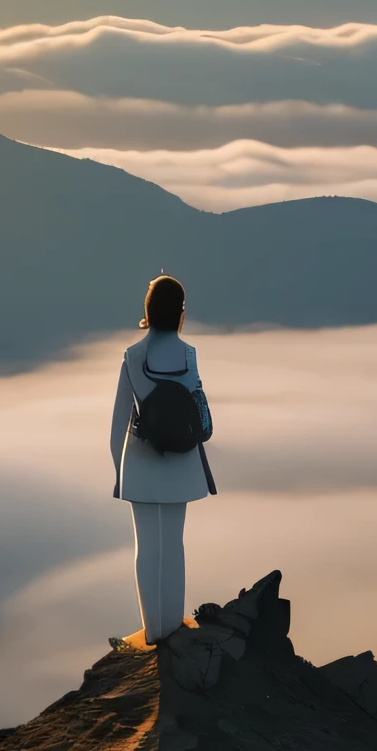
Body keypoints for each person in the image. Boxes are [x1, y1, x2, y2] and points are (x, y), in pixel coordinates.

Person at [110, 274, 215, 644]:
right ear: (180, 312)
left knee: (146, 548)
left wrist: (119, 471)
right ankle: (172, 628)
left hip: (140, 461)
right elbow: (198, 411)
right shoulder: (189, 356)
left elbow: (118, 423)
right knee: (174, 545)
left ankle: (152, 632)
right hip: (182, 464)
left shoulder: (133, 356)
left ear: (149, 311)